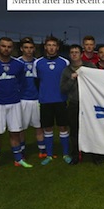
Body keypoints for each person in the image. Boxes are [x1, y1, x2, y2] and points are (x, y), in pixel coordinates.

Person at [0, 37, 31, 173]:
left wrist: (16, 93)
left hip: (14, 103)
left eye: (8, 47)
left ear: (12, 48)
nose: (6, 49)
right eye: (3, 46)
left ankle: (18, 159)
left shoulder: (18, 65)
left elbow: (21, 82)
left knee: (15, 132)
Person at [34, 35, 71, 165]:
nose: (51, 48)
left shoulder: (64, 62)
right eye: (49, 45)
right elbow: (36, 81)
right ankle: (49, 155)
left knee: (63, 127)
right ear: (45, 47)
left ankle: (66, 153)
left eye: (54, 45)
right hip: (45, 101)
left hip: (61, 100)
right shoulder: (37, 63)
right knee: (47, 128)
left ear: (57, 47)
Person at [60, 44, 96, 164]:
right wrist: (71, 79)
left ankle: (94, 154)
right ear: (69, 55)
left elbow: (98, 82)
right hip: (74, 104)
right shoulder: (66, 70)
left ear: (81, 54)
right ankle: (75, 154)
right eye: (72, 52)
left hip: (89, 104)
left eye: (77, 52)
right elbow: (63, 89)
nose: (74, 54)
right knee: (74, 130)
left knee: (92, 129)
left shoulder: (90, 67)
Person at [17, 37, 46, 159]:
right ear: (21, 49)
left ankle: (42, 150)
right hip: (22, 99)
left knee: (39, 126)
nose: (28, 50)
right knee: (21, 128)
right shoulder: (16, 63)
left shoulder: (38, 63)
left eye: (31, 48)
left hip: (36, 99)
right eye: (26, 48)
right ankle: (22, 151)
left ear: (34, 49)